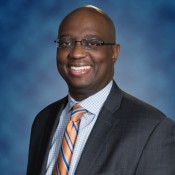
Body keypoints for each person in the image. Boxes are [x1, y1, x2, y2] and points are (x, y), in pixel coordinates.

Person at [26, 5, 175, 175]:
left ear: (114, 52)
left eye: (92, 43)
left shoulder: (154, 129)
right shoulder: (43, 120)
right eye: (66, 43)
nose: (76, 53)